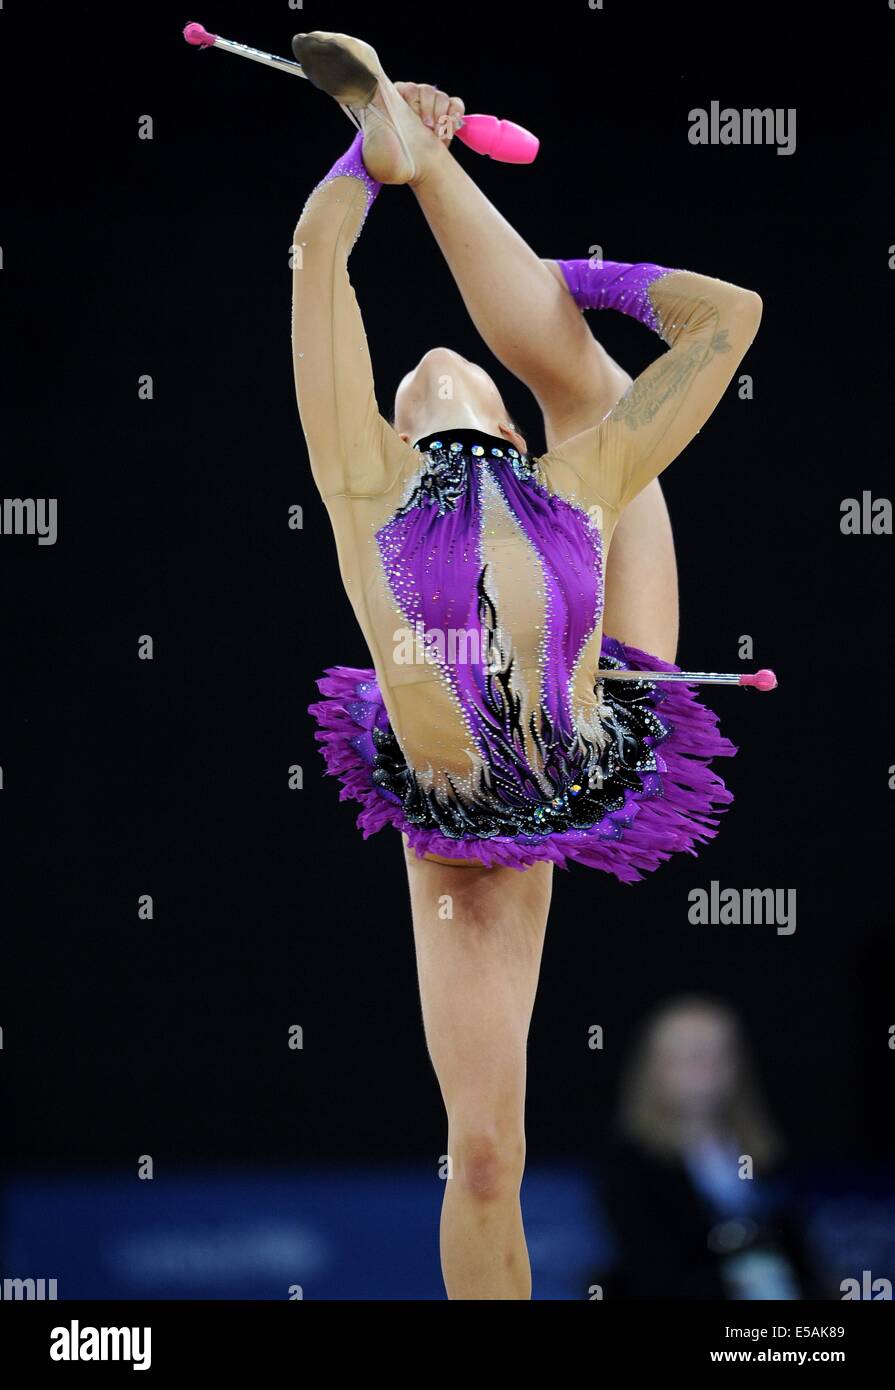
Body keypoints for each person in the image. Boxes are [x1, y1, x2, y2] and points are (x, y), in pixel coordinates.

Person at [290, 31, 762, 1298]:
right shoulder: (364, 484)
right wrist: (367, 153)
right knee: (487, 1154)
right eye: (403, 384)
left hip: (611, 702)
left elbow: (731, 321)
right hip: (465, 825)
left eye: (455, 371)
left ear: (500, 417)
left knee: (595, 389)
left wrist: (583, 277)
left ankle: (486, 231)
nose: (427, 369)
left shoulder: (575, 477)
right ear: (389, 427)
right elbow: (318, 267)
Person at [594, 998, 818, 1300]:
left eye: (718, 1053)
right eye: (688, 1056)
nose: (705, 1068)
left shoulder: (768, 1155)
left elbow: (801, 1260)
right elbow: (656, 1272)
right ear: (652, 1069)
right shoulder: (629, 1166)